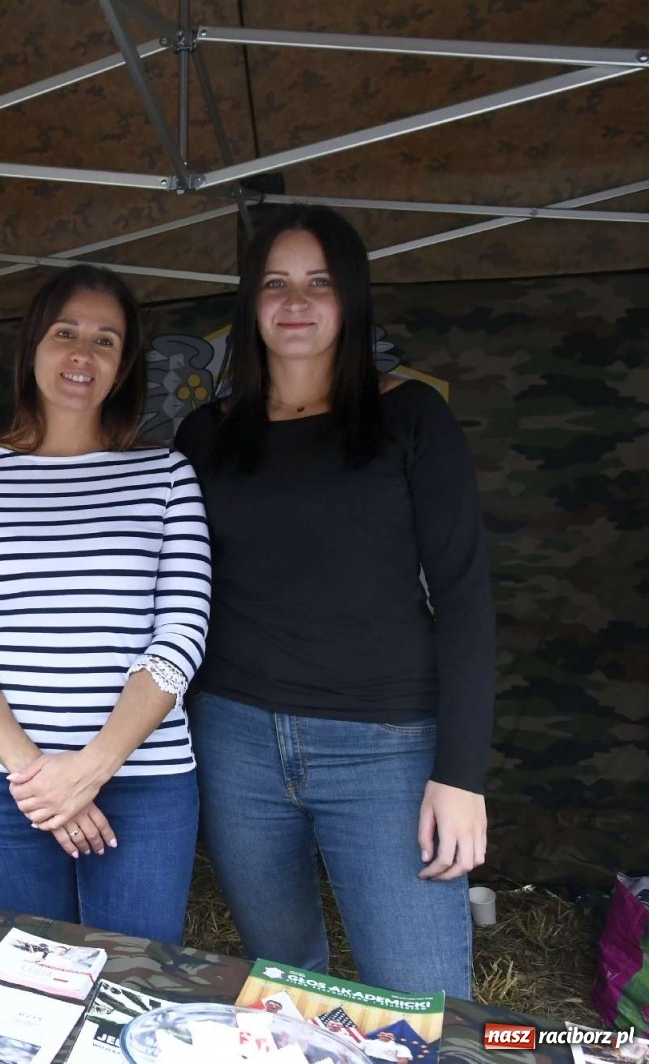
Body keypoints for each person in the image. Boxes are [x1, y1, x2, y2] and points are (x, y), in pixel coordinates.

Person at [173, 204, 495, 997]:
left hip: (385, 750)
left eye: (319, 283)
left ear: (351, 298)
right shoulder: (205, 435)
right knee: (288, 986)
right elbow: (171, 590)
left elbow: (464, 599)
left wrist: (462, 776)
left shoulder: (412, 417)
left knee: (423, 999)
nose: (295, 302)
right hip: (235, 740)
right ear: (250, 302)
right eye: (276, 283)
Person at [0, 265, 211, 943]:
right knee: (27, 983)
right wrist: (38, 777)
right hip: (3, 787)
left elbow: (182, 634)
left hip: (142, 784)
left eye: (106, 341)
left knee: (132, 984)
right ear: (32, 347)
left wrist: (91, 768)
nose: (84, 354)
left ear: (125, 363)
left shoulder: (165, 475)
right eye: (66, 333)